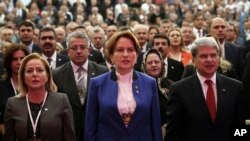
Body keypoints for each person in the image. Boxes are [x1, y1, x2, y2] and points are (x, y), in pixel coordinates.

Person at [85, 31, 162, 141]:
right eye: (120, 50)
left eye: (130, 50)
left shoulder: (149, 83)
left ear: (136, 55)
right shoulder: (97, 83)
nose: (125, 54)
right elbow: (90, 127)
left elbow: (155, 124)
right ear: (111, 55)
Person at [165, 37, 245, 141]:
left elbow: (240, 128)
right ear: (193, 60)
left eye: (213, 55)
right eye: (203, 56)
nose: (209, 60)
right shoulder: (179, 89)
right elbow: (173, 132)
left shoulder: (235, 87)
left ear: (219, 58)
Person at [4, 53, 75, 140]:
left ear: (47, 76)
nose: (34, 74)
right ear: (23, 77)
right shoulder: (13, 103)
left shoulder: (62, 100)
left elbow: (70, 137)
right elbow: (8, 137)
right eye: (29, 71)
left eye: (40, 70)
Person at [52, 31, 108, 141]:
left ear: (89, 50)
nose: (78, 51)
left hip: (96, 130)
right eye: (74, 48)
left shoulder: (103, 71)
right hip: (68, 131)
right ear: (68, 51)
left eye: (82, 47)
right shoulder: (56, 74)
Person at [0, 44, 30, 140]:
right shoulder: (1, 86)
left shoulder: (36, 84)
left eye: (22, 58)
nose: (19, 62)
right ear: (8, 62)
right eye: (14, 59)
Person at [141, 48, 172, 138]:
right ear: (144, 65)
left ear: (162, 64)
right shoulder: (138, 85)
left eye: (157, 62)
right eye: (150, 63)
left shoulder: (171, 85)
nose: (154, 65)